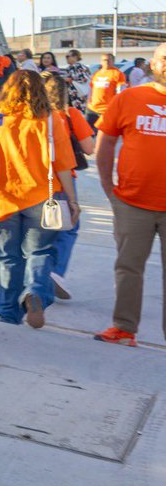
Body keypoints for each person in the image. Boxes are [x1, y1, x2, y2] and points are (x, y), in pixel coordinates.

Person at [0, 71, 79, 328]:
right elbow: (63, 164)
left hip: (3, 199)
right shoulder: (51, 120)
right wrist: (73, 201)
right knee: (39, 253)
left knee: (9, 259)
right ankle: (35, 293)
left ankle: (8, 313)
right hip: (41, 198)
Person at [93, 42, 166, 347]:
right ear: (153, 62)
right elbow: (105, 143)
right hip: (132, 203)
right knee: (128, 269)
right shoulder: (130, 97)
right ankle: (124, 328)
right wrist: (110, 190)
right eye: (164, 58)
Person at [41, 72, 94, 301]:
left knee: (41, 229)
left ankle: (35, 272)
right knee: (68, 226)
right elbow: (89, 148)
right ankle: (54, 272)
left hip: (34, 178)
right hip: (62, 178)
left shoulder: (33, 115)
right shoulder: (69, 114)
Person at [88, 53, 127, 128]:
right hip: (92, 109)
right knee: (89, 133)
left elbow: (121, 92)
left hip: (106, 109)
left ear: (113, 61)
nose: (106, 62)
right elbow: (91, 88)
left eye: (109, 60)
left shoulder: (118, 73)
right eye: (104, 60)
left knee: (103, 133)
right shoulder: (97, 73)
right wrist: (89, 102)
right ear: (101, 62)